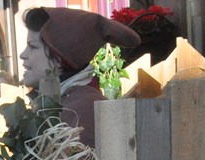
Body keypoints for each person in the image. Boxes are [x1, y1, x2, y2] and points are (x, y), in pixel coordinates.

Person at [20, 7, 139, 148]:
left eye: (33, 47)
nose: (23, 55)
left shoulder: (81, 110)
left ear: (59, 58)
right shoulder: (68, 101)